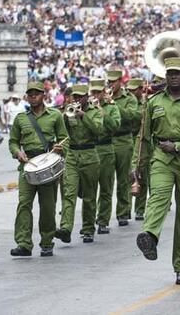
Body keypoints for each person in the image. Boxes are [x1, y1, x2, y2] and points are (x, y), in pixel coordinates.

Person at [135, 57, 180, 286]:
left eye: (177, 73)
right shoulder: (154, 102)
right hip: (162, 157)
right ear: (165, 76)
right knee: (158, 195)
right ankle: (150, 235)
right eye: (170, 74)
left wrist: (179, 146)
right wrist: (135, 166)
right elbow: (143, 137)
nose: (173, 77)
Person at [8, 81, 69, 257]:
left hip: (48, 164)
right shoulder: (21, 118)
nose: (33, 96)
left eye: (37, 93)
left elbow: (65, 138)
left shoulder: (55, 116)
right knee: (24, 204)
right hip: (27, 166)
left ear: (44, 95)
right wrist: (16, 152)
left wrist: (60, 148)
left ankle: (47, 241)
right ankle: (24, 243)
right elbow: (13, 141)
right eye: (30, 93)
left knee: (48, 206)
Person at [56, 85, 103, 244]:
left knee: (89, 195)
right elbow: (63, 133)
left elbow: (98, 130)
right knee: (69, 192)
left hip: (90, 155)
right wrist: (64, 116)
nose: (76, 100)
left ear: (86, 97)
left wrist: (83, 116)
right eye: (74, 96)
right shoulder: (68, 111)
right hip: (72, 155)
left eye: (80, 97)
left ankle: (88, 228)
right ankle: (66, 228)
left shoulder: (95, 111)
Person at [108, 69, 140, 227]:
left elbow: (133, 116)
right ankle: (102, 218)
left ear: (120, 82)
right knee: (106, 181)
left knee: (123, 179)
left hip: (123, 139)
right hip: (106, 140)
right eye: (109, 82)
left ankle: (123, 212)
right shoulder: (101, 97)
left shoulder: (129, 98)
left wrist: (113, 105)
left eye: (113, 82)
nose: (110, 85)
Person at [93, 78, 121, 234]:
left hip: (106, 148)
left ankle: (103, 220)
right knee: (90, 190)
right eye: (94, 93)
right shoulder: (86, 108)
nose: (96, 96)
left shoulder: (112, 108)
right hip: (90, 149)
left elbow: (115, 126)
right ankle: (88, 224)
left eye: (99, 92)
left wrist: (103, 112)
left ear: (104, 93)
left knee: (105, 187)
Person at [127, 78, 150, 220]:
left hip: (144, 141)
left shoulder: (147, 102)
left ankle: (140, 209)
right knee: (130, 176)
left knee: (143, 175)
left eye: (133, 90)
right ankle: (126, 208)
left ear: (140, 89)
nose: (130, 92)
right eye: (128, 90)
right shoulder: (127, 102)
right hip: (129, 140)